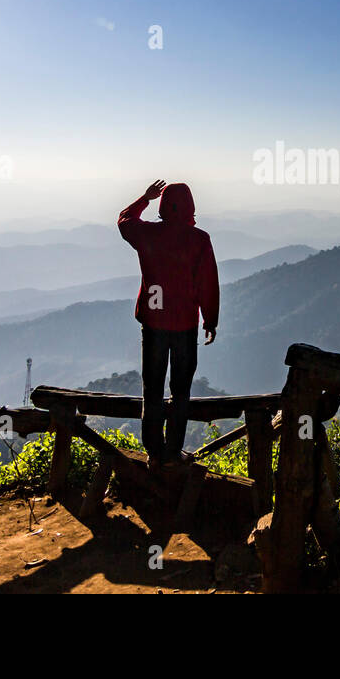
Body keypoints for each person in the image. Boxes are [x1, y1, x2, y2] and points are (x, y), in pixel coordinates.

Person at [118, 180, 219, 468]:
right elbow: (207, 284)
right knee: (181, 391)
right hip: (185, 327)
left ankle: (153, 452)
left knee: (152, 388)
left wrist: (144, 198)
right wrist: (209, 320)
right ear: (191, 207)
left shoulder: (147, 234)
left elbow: (124, 220)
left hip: (153, 325)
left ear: (162, 205)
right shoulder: (199, 240)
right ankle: (173, 453)